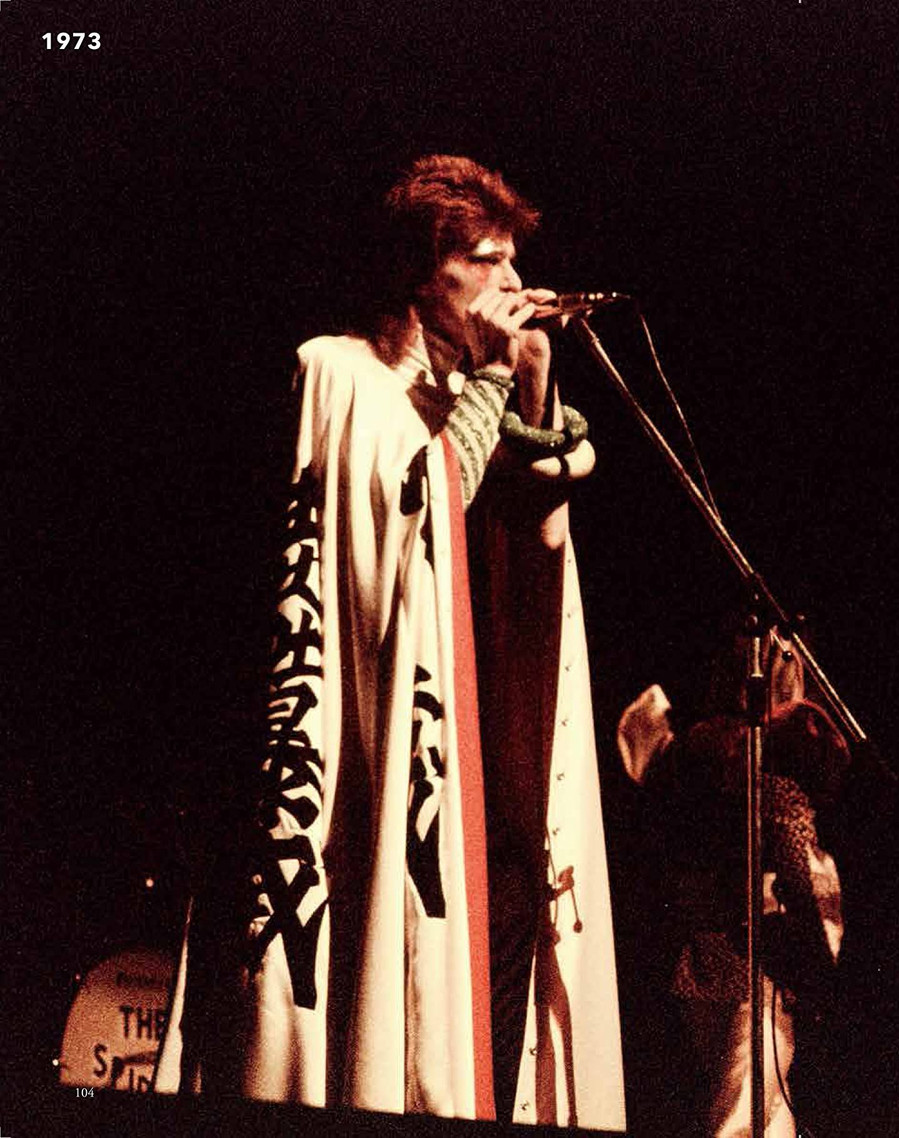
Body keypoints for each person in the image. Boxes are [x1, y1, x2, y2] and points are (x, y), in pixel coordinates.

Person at [155, 155, 625, 1130]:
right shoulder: (342, 376)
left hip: (483, 774)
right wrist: (491, 381)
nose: (511, 282)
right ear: (420, 271)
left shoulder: (469, 393)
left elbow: (528, 551)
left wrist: (531, 391)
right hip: (376, 775)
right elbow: (421, 505)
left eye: (513, 260)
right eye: (485, 259)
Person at [617, 633, 848, 1138]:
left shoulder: (694, 760)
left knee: (761, 1107)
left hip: (703, 966)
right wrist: (814, 964)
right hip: (752, 969)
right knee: (745, 1112)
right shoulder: (769, 778)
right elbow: (796, 869)